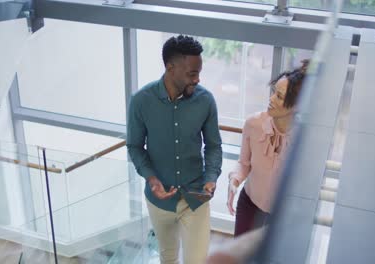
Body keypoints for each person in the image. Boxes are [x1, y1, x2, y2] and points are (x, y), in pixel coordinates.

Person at [126, 35, 222, 264]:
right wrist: (151, 179)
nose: (197, 79)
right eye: (192, 74)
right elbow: (135, 146)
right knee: (168, 256)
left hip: (196, 194)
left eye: (199, 73)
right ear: (171, 68)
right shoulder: (141, 101)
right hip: (159, 199)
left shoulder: (206, 100)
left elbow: (213, 145)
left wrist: (211, 178)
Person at [227, 60, 309, 237]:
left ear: (296, 105)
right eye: (273, 92)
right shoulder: (253, 123)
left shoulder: (305, 139)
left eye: (279, 97)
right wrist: (234, 181)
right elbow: (244, 163)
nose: (271, 99)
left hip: (282, 215)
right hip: (249, 205)